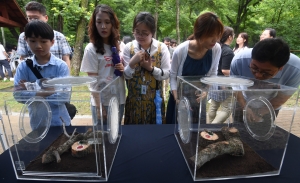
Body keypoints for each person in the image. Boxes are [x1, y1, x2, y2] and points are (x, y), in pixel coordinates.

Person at [166, 12, 223, 124]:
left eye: (218, 35)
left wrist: (205, 91)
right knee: (176, 131)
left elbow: (212, 73)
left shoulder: (216, 49)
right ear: (199, 32)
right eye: (211, 35)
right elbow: (172, 76)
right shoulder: (181, 50)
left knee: (196, 134)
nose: (215, 39)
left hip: (198, 98)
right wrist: (177, 98)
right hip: (178, 97)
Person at [13, 20, 70, 129]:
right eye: (33, 41)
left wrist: (31, 89)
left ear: (52, 42)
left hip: (60, 122)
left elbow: (63, 96)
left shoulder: (61, 66)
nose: (38, 46)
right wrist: (46, 91)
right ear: (26, 40)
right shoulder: (23, 67)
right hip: (37, 125)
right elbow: (18, 95)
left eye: (43, 41)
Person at [230, 38, 300, 121]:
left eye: (266, 73)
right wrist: (244, 106)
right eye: (254, 68)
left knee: (263, 130)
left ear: (281, 68)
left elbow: (283, 96)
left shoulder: (295, 69)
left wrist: (260, 113)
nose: (258, 75)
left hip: (271, 104)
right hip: (242, 99)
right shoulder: (239, 60)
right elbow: (235, 87)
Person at [80, 4, 126, 125]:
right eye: (99, 22)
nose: (103, 26)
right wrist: (99, 107)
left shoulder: (121, 46)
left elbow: (128, 73)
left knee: (116, 135)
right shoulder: (91, 48)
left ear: (113, 24)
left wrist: (123, 68)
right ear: (94, 24)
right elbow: (92, 81)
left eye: (107, 22)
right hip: (102, 101)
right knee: (102, 137)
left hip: (119, 99)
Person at [122, 12, 171, 124]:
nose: (140, 36)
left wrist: (151, 69)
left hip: (155, 101)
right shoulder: (128, 48)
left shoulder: (161, 48)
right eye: (137, 32)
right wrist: (132, 63)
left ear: (152, 33)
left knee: (155, 135)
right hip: (134, 102)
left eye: (145, 33)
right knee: (134, 135)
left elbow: (167, 73)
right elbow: (125, 75)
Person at [17, 1, 72, 68]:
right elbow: (23, 59)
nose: (32, 21)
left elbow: (66, 59)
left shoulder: (59, 36)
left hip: (57, 75)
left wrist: (67, 77)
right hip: (34, 76)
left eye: (36, 18)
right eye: (29, 18)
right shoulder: (23, 36)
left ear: (46, 18)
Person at [208, 26, 235, 123]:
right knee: (227, 109)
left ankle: (209, 126)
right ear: (230, 37)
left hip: (214, 81)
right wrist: (236, 76)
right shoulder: (228, 51)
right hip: (224, 83)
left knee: (214, 106)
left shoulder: (215, 48)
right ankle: (213, 127)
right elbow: (225, 70)